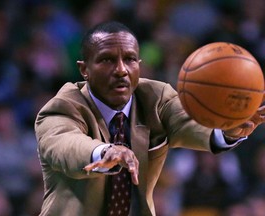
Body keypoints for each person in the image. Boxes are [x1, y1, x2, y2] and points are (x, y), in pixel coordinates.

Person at [34, 21, 265, 216]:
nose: (121, 70)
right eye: (107, 60)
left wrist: (229, 128)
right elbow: (64, 144)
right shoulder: (63, 106)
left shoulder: (156, 98)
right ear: (84, 69)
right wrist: (105, 151)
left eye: (130, 59)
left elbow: (191, 122)